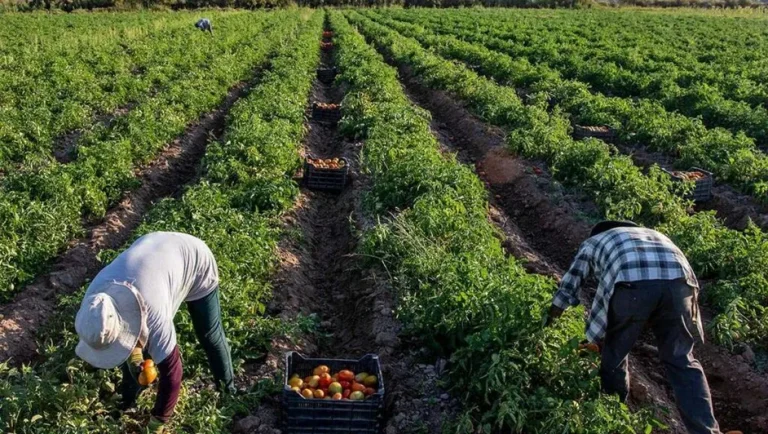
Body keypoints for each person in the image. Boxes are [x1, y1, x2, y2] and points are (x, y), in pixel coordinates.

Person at [544, 221, 727, 434]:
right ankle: (706, 430)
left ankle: (613, 417)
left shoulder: (593, 242)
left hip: (632, 285)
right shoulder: (653, 234)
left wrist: (550, 321)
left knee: (614, 354)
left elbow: (569, 284)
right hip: (680, 284)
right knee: (682, 360)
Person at [75, 232, 234, 434]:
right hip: (153, 253)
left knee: (209, 334)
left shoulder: (153, 315)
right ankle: (129, 403)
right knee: (137, 355)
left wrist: (157, 422)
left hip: (194, 259)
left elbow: (172, 374)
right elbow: (122, 335)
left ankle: (228, 391)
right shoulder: (95, 304)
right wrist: (135, 359)